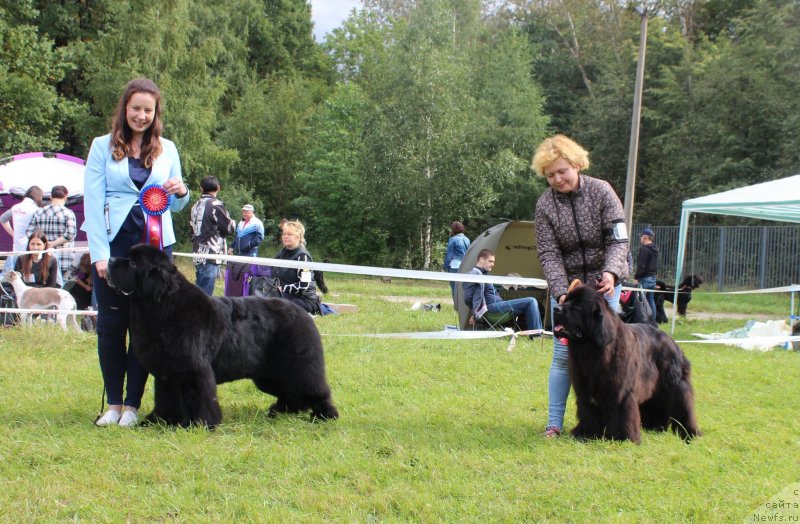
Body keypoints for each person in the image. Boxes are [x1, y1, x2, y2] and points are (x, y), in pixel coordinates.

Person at [82, 78, 190, 428]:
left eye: (148, 110)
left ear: (156, 113)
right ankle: (112, 403)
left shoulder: (167, 149)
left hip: (156, 249)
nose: (141, 115)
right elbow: (93, 202)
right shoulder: (101, 146)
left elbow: (175, 204)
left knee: (147, 328)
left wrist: (181, 190)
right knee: (111, 327)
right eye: (135, 108)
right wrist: (99, 254)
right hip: (114, 247)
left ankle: (132, 405)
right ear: (124, 109)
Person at [532, 134, 629, 438]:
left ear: (576, 164)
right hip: (570, 294)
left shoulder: (602, 192)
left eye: (562, 171)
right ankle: (554, 423)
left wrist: (611, 273)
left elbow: (619, 238)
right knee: (563, 359)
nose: (557, 179)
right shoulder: (545, 205)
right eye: (550, 175)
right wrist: (562, 291)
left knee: (609, 356)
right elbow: (548, 252)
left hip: (604, 291)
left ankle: (613, 421)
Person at [463, 248, 543, 334]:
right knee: (531, 301)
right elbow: (468, 297)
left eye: (493, 262)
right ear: (482, 260)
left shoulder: (484, 274)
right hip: (492, 308)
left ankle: (531, 332)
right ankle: (536, 335)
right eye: (490, 261)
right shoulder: (473, 274)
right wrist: (475, 313)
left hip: (498, 305)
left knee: (535, 303)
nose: (493, 264)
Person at [190, 176, 236, 295]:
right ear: (218, 188)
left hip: (197, 252)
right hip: (211, 254)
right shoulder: (215, 204)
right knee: (206, 296)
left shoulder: (195, 205)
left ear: (201, 188)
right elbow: (229, 228)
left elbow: (192, 229)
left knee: (198, 292)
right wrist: (234, 223)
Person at [26, 185, 77, 282]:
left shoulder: (39, 212)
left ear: (50, 197)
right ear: (66, 197)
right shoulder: (68, 213)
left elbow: (29, 232)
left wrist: (41, 243)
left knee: (43, 285)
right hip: (63, 257)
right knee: (59, 288)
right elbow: (70, 234)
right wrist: (53, 244)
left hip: (42, 257)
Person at [272, 220, 321, 314]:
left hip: (304, 299)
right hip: (285, 295)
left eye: (289, 234)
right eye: (284, 234)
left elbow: (304, 285)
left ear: (298, 237)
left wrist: (283, 288)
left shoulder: (303, 256)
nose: (285, 236)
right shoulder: (282, 253)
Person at [1, 185, 43, 271]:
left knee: (13, 271)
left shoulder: (15, 207)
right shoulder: (36, 210)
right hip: (30, 246)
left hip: (16, 245)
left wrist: (13, 233)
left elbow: (2, 219)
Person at [634, 227, 658, 321]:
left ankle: (643, 319)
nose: (640, 238)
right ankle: (653, 320)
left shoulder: (644, 249)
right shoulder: (655, 249)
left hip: (645, 278)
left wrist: (637, 277)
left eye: (641, 236)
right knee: (651, 300)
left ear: (645, 237)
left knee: (641, 300)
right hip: (653, 277)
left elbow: (641, 265)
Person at [443, 221, 470, 303]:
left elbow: (449, 255)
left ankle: (456, 305)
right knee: (463, 287)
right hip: (465, 265)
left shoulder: (453, 239)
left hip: (455, 265)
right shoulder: (467, 239)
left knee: (454, 287)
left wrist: (445, 266)